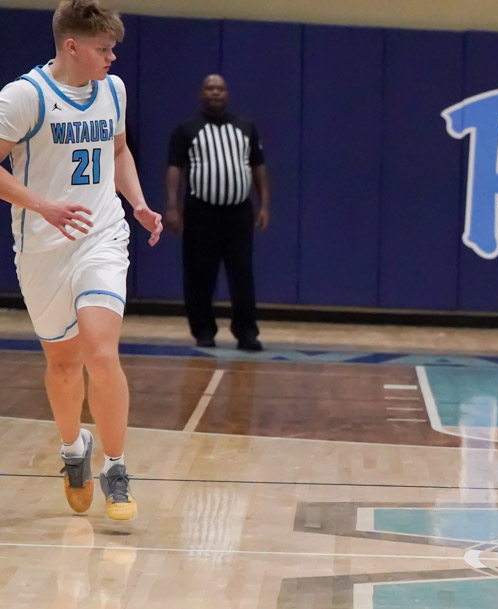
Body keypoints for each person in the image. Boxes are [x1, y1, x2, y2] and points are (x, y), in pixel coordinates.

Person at [0, 0, 163, 520]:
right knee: (63, 366)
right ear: (71, 46)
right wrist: (42, 205)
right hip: (43, 247)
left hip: (102, 236)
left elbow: (118, 151)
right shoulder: (24, 97)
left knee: (100, 352)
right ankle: (74, 449)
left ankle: (116, 467)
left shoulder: (113, 90)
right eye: (103, 48)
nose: (112, 58)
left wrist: (137, 203)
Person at [165, 74, 269, 351]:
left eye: (220, 88)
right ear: (202, 93)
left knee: (242, 273)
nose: (215, 92)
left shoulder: (245, 127)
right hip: (201, 213)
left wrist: (264, 205)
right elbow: (175, 168)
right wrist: (172, 206)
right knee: (200, 273)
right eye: (210, 88)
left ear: (227, 94)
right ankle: (203, 331)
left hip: (238, 214)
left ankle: (247, 332)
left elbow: (258, 166)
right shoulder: (187, 129)